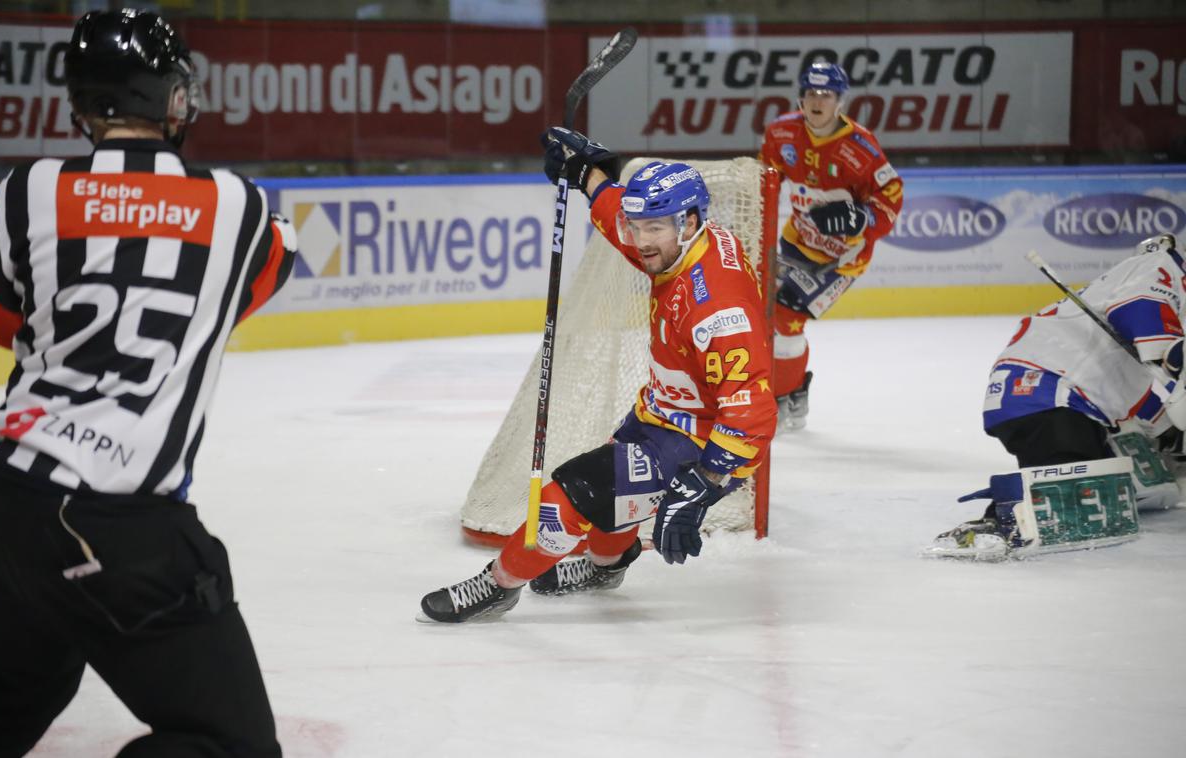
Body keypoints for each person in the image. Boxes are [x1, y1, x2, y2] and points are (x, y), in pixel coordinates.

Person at [0, 10, 295, 757]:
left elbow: (2, 323)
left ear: (84, 105)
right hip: (124, 535)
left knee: (24, 689)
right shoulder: (241, 208)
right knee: (231, 747)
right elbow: (257, 285)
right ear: (170, 99)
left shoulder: (25, 192)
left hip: (4, 502)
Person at [418, 128, 777, 623]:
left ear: (689, 221)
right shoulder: (687, 243)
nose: (641, 240)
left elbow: (752, 411)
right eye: (639, 226)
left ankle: (499, 586)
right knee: (612, 503)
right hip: (662, 412)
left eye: (654, 228)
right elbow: (625, 227)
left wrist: (702, 483)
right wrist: (588, 175)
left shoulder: (717, 307)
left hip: (697, 440)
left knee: (566, 500)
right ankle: (607, 568)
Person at [931, 234, 1186, 557]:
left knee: (1146, 490)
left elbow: (1157, 401)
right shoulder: (1160, 265)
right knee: (1072, 498)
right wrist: (1171, 358)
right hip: (1044, 390)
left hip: (1074, 401)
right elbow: (1138, 310)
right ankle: (1000, 524)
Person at [759, 61, 904, 430]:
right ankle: (792, 391)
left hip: (842, 258)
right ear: (800, 97)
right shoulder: (781, 133)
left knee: (789, 318)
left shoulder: (861, 147)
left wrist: (864, 218)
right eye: (810, 93)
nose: (817, 101)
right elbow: (763, 182)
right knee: (766, 316)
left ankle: (778, 400)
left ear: (840, 101)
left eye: (826, 94)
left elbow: (891, 198)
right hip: (795, 241)